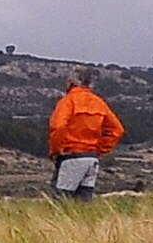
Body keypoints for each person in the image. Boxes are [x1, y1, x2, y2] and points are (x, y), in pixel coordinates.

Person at [47, 70, 125, 198]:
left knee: (61, 203)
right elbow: (117, 130)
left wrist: (56, 150)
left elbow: (58, 126)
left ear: (71, 82)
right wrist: (99, 149)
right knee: (84, 204)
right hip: (91, 159)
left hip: (71, 157)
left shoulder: (68, 101)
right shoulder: (99, 102)